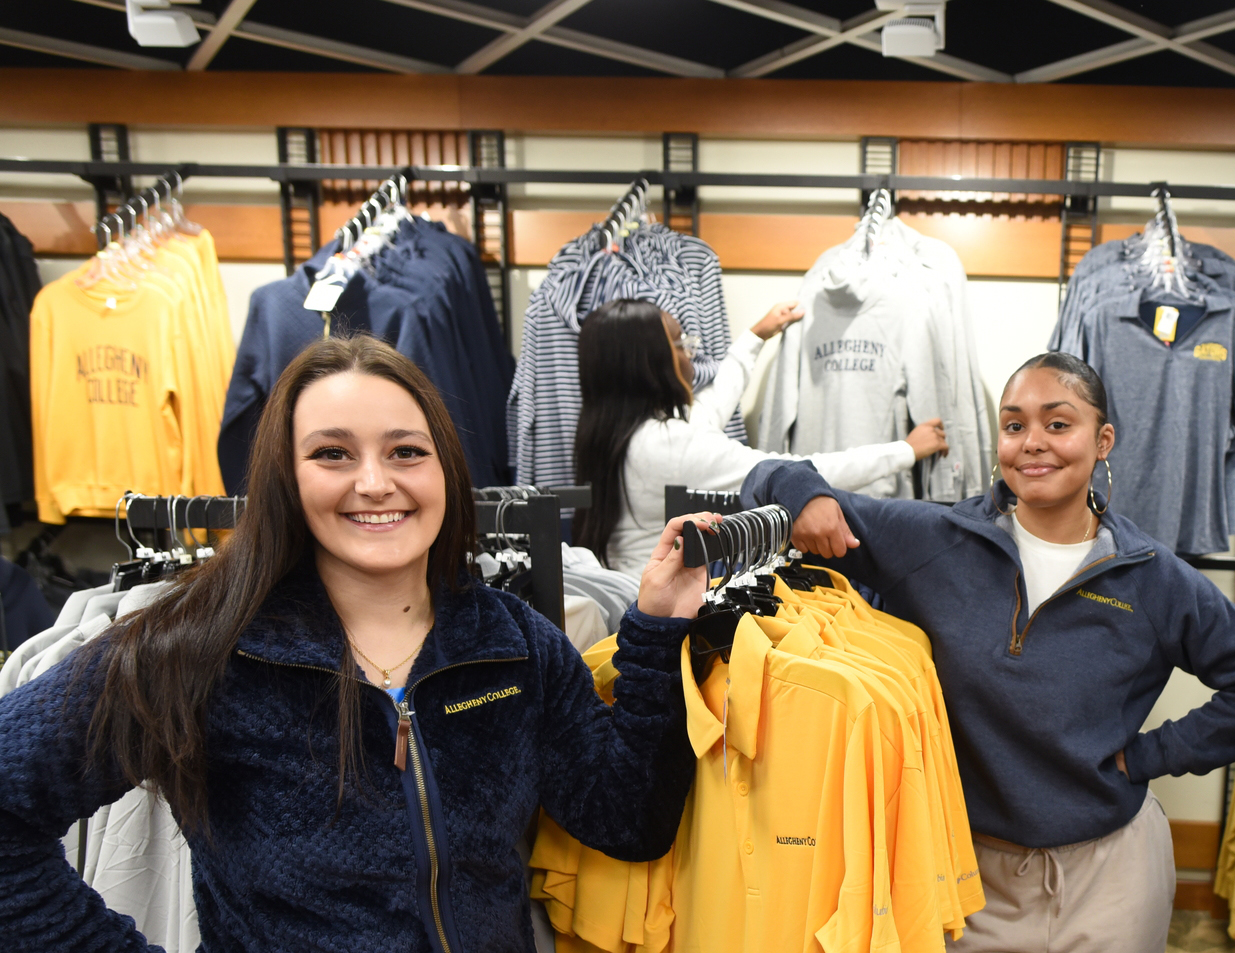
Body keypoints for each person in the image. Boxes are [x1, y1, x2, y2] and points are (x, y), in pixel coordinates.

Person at [0, 335, 717, 953]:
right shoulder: (201, 650)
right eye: (333, 453)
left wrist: (654, 632)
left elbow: (627, 818)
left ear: (446, 472)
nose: (375, 483)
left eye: (406, 451)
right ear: (288, 475)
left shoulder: (513, 643)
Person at [746, 351, 1235, 953]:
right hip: (966, 872)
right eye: (1014, 426)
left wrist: (1150, 755)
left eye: (1058, 424)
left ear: (1103, 439)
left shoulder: (1153, 577)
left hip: (1111, 876)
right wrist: (803, 495)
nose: (1032, 442)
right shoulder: (932, 541)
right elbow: (766, 475)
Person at [572, 298, 949, 577]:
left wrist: (755, 337)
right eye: (678, 343)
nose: (689, 353)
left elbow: (713, 406)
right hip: (652, 605)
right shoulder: (666, 446)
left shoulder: (613, 432)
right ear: (646, 361)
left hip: (629, 592)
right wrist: (906, 450)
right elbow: (789, 472)